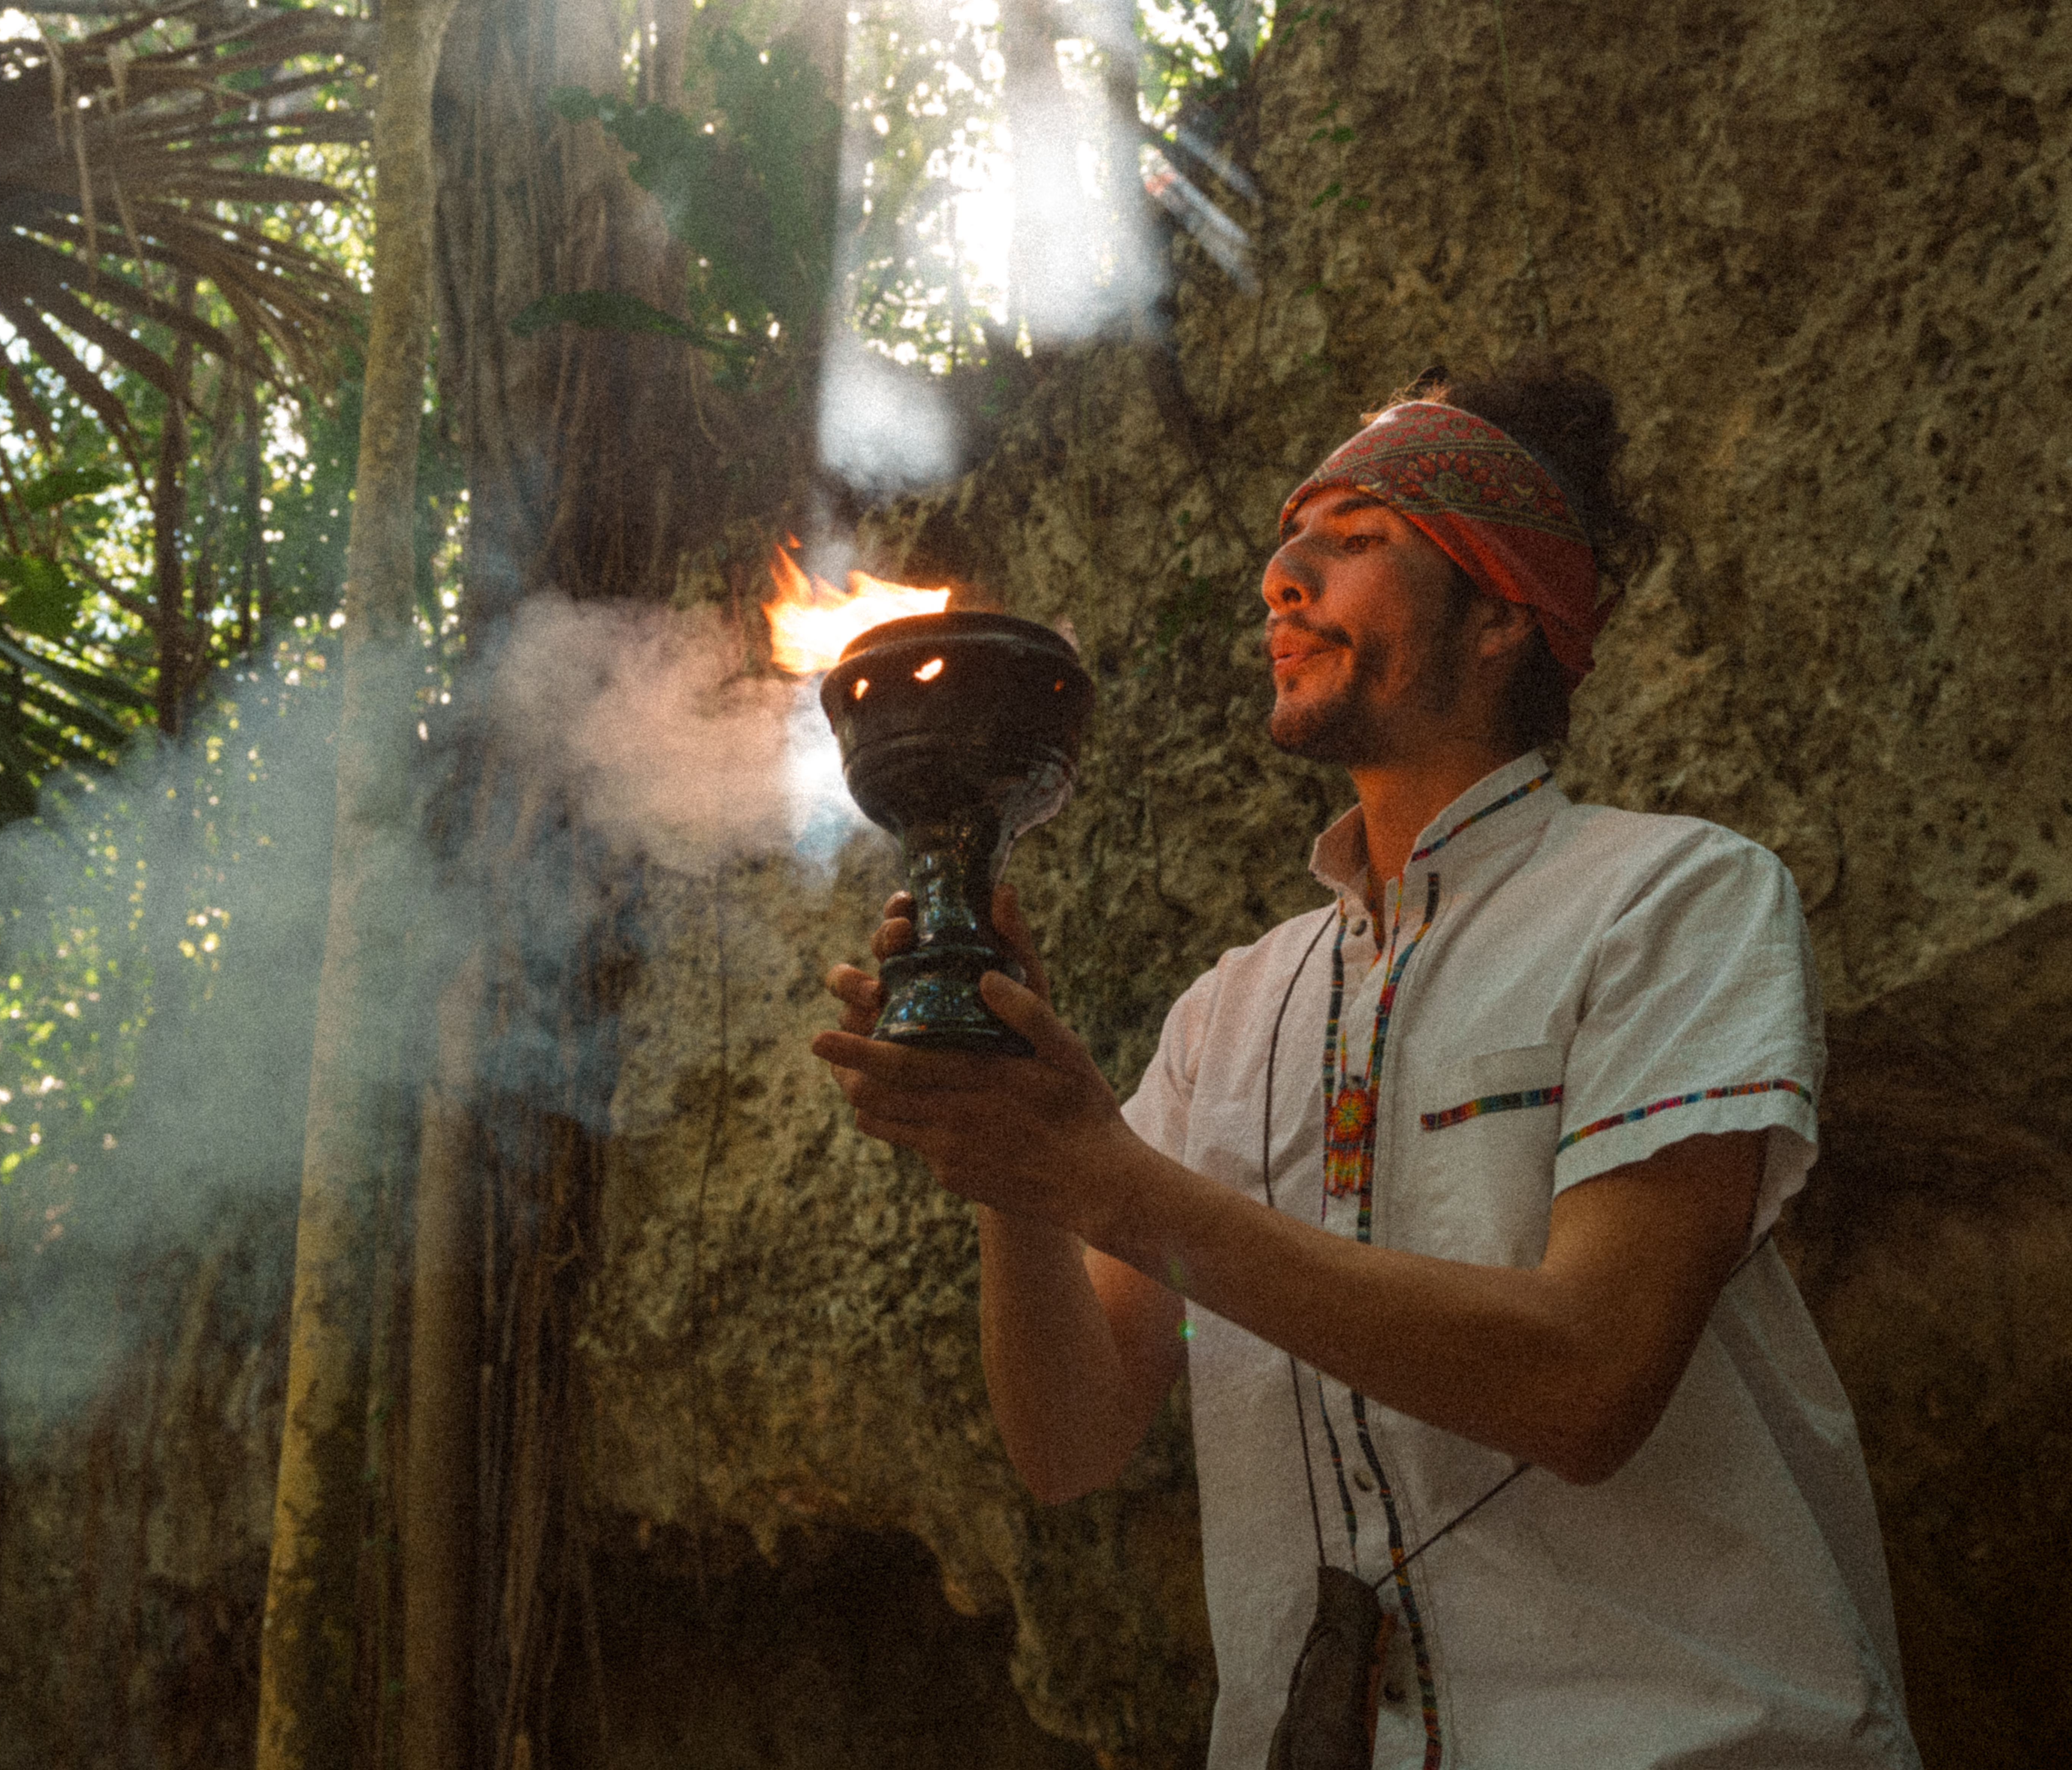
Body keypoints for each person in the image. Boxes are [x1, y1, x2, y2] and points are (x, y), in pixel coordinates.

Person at [814, 365, 1917, 1770]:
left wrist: (1106, 1179)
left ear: (1505, 612)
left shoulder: (1675, 899)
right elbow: (1074, 1437)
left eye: (1354, 537)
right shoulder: (1231, 1013)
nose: (1284, 578)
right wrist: (1008, 1160)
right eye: (1288, 542)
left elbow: (1588, 1383)